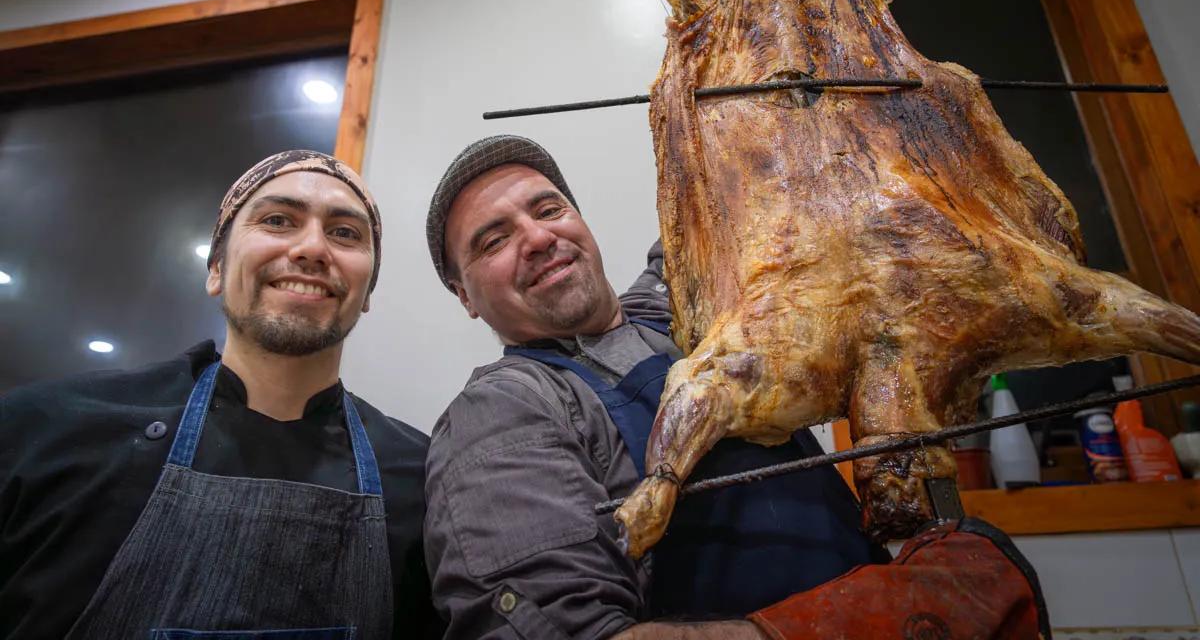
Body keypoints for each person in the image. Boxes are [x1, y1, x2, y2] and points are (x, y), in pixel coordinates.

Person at [422, 135, 887, 639]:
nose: (537, 238)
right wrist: (840, 625)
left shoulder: (683, 310)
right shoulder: (503, 408)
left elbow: (750, 193)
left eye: (549, 209)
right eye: (494, 241)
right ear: (464, 296)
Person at [0, 150, 440, 639]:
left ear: (368, 290)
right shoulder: (42, 431)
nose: (313, 248)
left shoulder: (422, 478)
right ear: (215, 268)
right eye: (278, 220)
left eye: (345, 233)